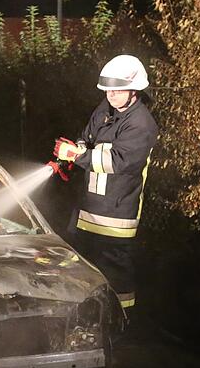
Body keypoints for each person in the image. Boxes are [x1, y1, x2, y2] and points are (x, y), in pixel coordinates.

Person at [53, 54, 158, 316]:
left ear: (134, 89)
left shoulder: (142, 124)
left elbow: (117, 161)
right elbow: (87, 139)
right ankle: (81, 320)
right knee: (79, 269)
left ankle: (121, 327)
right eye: (108, 88)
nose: (111, 94)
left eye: (117, 89)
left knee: (115, 278)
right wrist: (70, 154)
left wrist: (78, 157)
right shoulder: (105, 110)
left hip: (115, 217)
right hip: (86, 210)